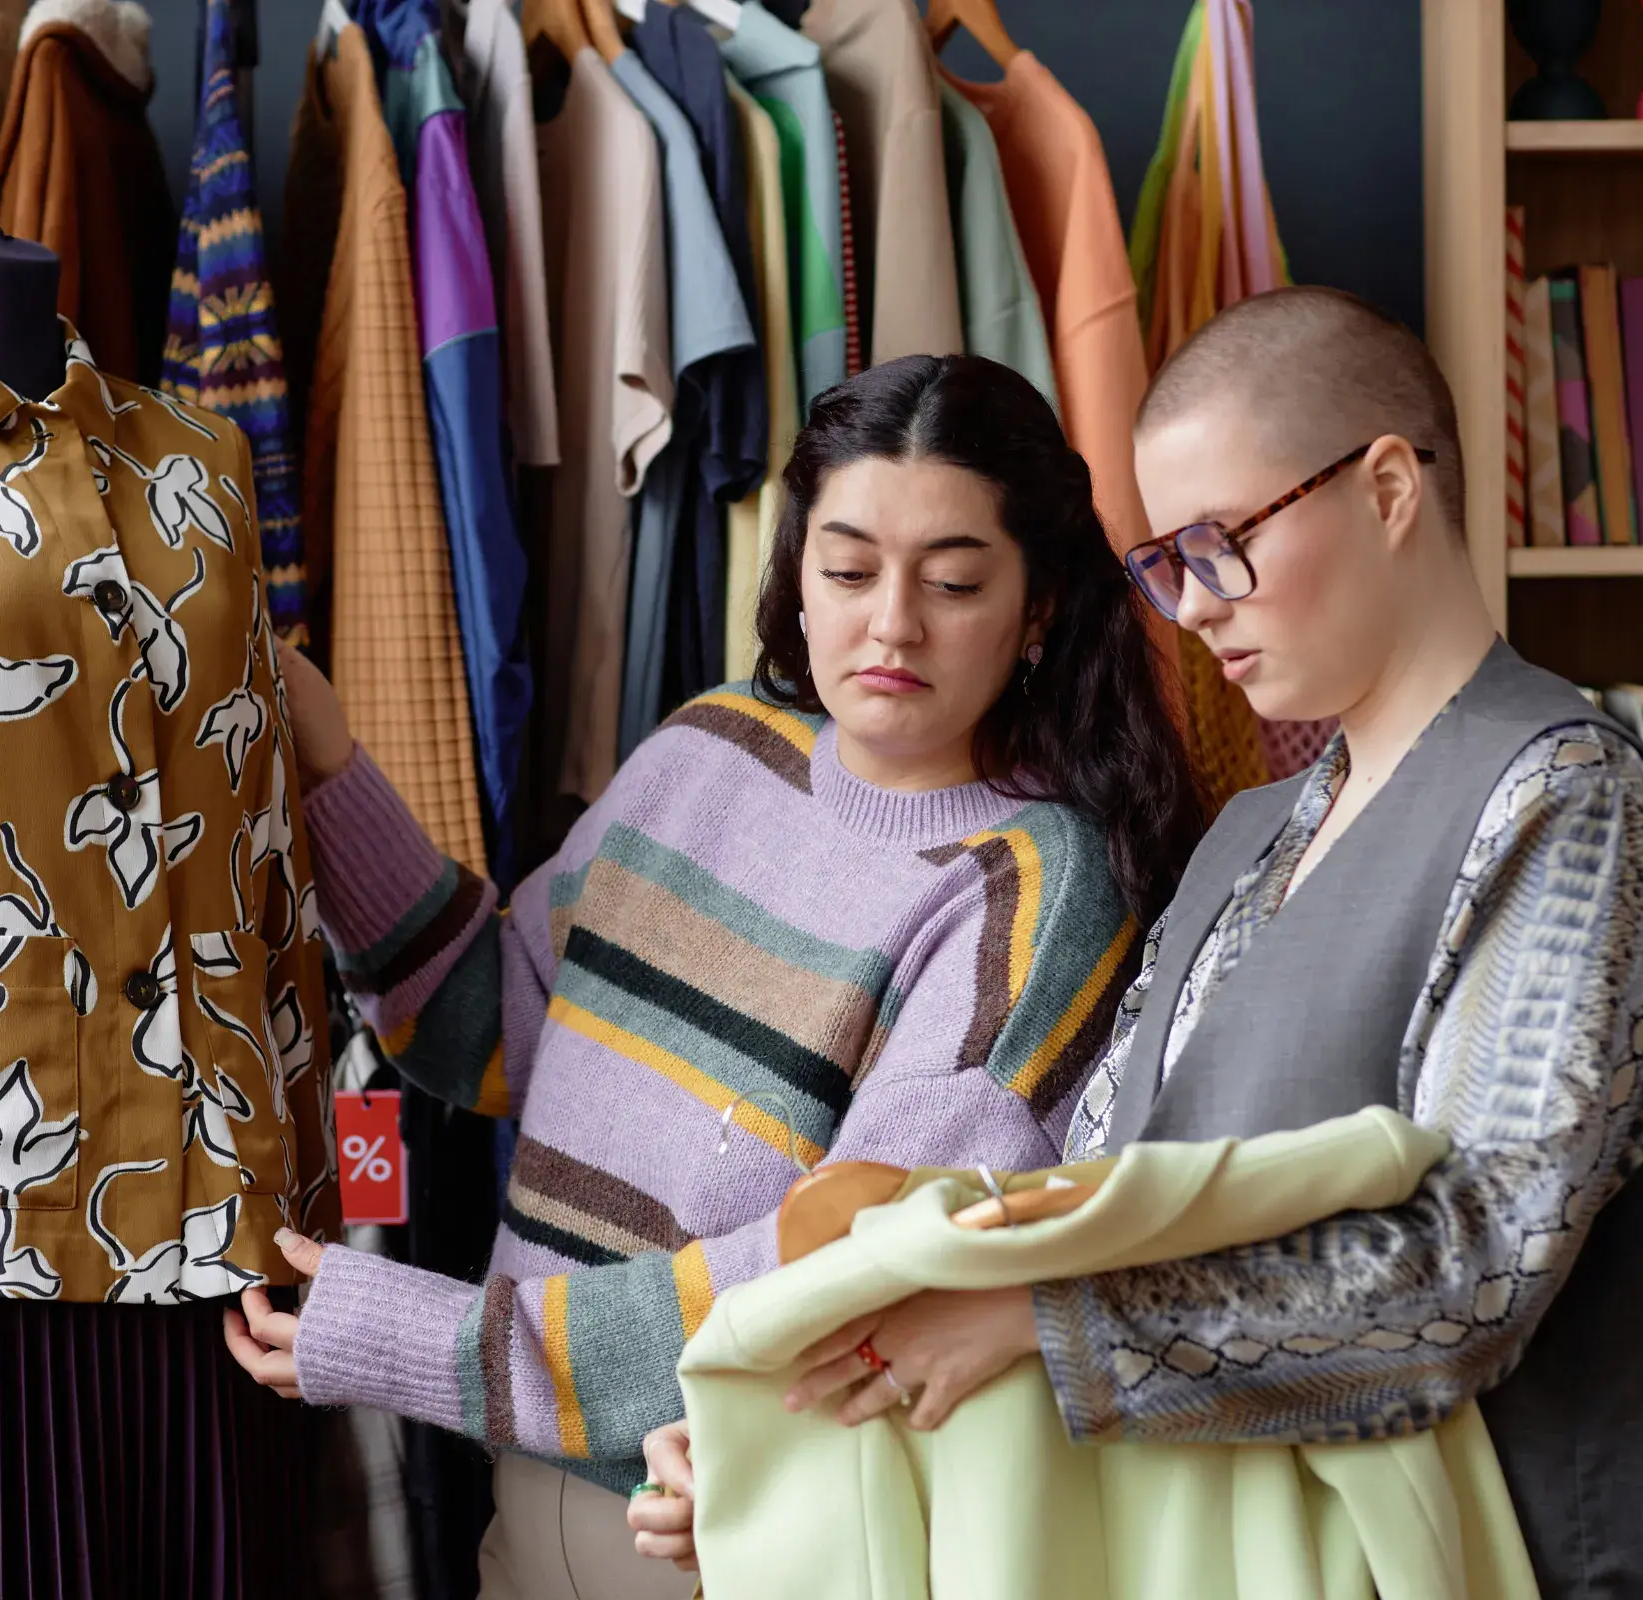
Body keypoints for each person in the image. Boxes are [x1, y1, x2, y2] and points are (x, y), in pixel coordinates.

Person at [631, 288, 1643, 1598]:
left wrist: (1036, 1330)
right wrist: (808, 1417)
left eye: (1222, 544)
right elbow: (1093, 1204)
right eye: (1163, 564)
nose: (1192, 607)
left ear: (1387, 486)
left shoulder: (1567, 805)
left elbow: (1467, 1275)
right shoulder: (1247, 838)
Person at [223, 353, 1200, 1596]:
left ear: (1041, 607)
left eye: (952, 581)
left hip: (746, 1525)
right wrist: (328, 768)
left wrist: (445, 1345)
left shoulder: (1035, 890)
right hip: (529, 1498)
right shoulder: (712, 747)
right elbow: (492, 1025)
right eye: (846, 570)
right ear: (793, 574)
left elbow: (849, 1277)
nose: (890, 621)